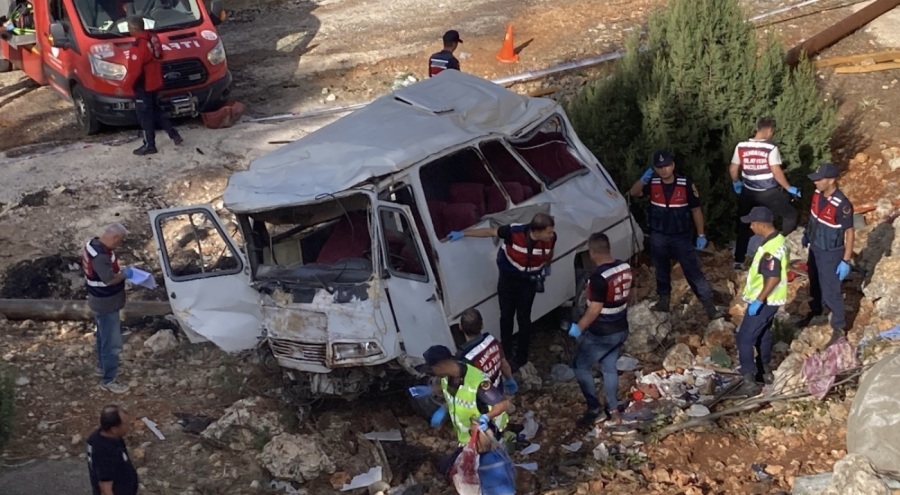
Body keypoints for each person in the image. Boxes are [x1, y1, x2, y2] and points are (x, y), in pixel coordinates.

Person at [448, 213, 557, 369]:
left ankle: (521, 357)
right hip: (508, 281)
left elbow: (549, 251)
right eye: (548, 232)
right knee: (506, 316)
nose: (551, 235)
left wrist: (546, 266)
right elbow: (490, 232)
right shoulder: (513, 232)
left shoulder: (551, 238)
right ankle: (506, 352)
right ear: (537, 231)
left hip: (528, 282)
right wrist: (464, 233)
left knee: (524, 318)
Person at [629, 150, 723, 320]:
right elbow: (634, 193)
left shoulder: (685, 184)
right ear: (655, 169)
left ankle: (709, 307)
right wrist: (643, 179)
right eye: (659, 167)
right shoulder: (652, 183)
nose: (663, 170)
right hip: (659, 235)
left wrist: (701, 234)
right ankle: (663, 301)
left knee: (693, 272)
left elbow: (696, 210)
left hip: (681, 237)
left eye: (666, 166)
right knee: (661, 271)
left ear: (673, 165)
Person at [410, 345, 510, 477]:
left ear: (441, 365)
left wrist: (485, 418)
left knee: (482, 474)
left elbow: (503, 404)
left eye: (432, 368)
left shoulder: (476, 381)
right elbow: (449, 391)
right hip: (466, 438)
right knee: (446, 469)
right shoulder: (447, 377)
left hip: (486, 436)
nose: (432, 372)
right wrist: (431, 392)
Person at [566, 233, 632, 426]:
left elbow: (595, 309)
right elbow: (631, 293)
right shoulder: (624, 267)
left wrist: (578, 327)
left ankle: (593, 408)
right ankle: (613, 408)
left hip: (602, 332)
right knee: (609, 367)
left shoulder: (598, 278)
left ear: (592, 252)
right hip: (621, 327)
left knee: (581, 366)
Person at [729, 117, 801, 270]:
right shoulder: (770, 148)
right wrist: (788, 188)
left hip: (748, 192)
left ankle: (738, 261)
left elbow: (733, 169)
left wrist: (736, 182)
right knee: (790, 215)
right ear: (769, 130)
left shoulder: (741, 146)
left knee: (743, 223)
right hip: (768, 192)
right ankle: (779, 244)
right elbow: (776, 171)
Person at [732, 207, 788, 396]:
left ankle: (749, 379)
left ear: (761, 224)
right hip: (770, 300)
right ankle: (764, 371)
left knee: (745, 338)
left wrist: (759, 300)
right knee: (763, 334)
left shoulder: (770, 250)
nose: (751, 226)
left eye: (752, 223)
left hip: (765, 300)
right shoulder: (778, 241)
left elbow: (772, 277)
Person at [801, 163, 854, 344]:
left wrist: (845, 260)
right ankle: (816, 310)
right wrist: (806, 236)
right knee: (814, 281)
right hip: (815, 247)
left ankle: (839, 327)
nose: (815, 183)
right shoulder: (817, 195)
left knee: (831, 290)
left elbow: (849, 232)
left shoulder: (842, 205)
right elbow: (813, 218)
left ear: (831, 180)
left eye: (819, 179)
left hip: (831, 253)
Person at [121, 15, 182, 156]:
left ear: (135, 28)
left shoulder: (138, 46)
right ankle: (173, 134)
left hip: (144, 84)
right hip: (155, 81)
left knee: (145, 116)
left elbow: (134, 71)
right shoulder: (153, 38)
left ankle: (149, 144)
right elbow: (160, 54)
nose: (129, 31)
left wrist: (124, 87)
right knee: (156, 111)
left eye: (130, 28)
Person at [83, 223, 132, 394]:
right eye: (120, 242)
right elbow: (109, 280)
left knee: (102, 335)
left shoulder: (92, 245)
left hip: (97, 300)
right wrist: (125, 274)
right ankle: (108, 379)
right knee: (112, 343)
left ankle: (101, 366)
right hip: (106, 303)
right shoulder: (101, 257)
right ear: (115, 238)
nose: (119, 245)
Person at [456, 308, 517, 395]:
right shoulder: (492, 341)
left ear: (460, 327)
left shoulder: (464, 358)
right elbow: (504, 365)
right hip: (498, 391)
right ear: (482, 325)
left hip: (483, 401)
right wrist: (510, 379)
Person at [87, 405, 139, 495]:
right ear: (114, 429)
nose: (129, 425)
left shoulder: (105, 436)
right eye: (125, 423)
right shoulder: (104, 453)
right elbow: (105, 488)